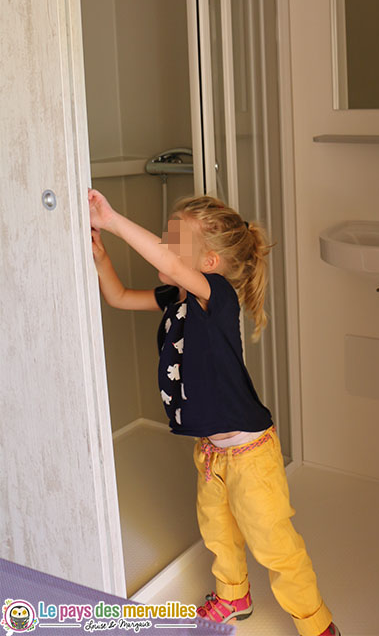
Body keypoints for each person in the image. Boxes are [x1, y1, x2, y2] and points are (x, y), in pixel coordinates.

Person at [88, 188, 340, 636]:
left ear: (207, 264)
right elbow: (120, 297)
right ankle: (233, 597)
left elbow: (166, 265)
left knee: (275, 546)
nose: (164, 246)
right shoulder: (177, 297)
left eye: (173, 240)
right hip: (212, 452)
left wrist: (111, 219)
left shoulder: (216, 295)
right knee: (218, 533)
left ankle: (317, 624)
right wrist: (100, 255)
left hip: (250, 455)